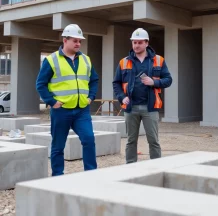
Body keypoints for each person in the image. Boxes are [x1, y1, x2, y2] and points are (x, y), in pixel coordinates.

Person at [36, 24, 99, 176]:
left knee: (89, 140)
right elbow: (40, 84)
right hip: (61, 110)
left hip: (81, 110)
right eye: (75, 40)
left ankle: (91, 174)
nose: (78, 44)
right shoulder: (51, 60)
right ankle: (58, 176)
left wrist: (91, 97)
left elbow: (94, 80)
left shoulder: (86, 60)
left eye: (80, 41)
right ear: (65, 40)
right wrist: (52, 102)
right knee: (58, 146)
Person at [113, 28, 172, 163]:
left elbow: (168, 80)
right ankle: (131, 168)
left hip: (150, 108)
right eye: (134, 42)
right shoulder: (124, 62)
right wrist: (122, 97)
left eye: (139, 42)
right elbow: (116, 83)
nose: (136, 45)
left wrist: (154, 82)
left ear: (146, 43)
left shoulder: (158, 60)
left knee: (153, 141)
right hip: (130, 108)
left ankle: (156, 168)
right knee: (131, 141)